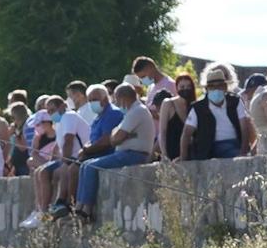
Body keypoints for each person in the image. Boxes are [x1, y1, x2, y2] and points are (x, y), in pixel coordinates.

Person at [73, 82, 154, 219]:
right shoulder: (131, 112)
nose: (116, 102)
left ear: (123, 98)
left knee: (91, 166)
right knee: (85, 165)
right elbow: (114, 136)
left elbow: (115, 139)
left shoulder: (137, 111)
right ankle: (79, 205)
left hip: (133, 155)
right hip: (125, 153)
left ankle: (87, 209)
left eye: (116, 99)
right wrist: (121, 136)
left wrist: (120, 136)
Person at [181, 64, 252, 160]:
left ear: (225, 87)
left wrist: (243, 152)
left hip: (233, 143)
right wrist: (183, 157)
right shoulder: (198, 108)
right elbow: (186, 133)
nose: (216, 89)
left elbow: (244, 128)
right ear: (206, 89)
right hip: (208, 147)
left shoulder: (235, 102)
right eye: (212, 87)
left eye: (220, 86)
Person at [156, 68, 197, 161]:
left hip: (190, 155)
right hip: (172, 153)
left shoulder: (195, 106)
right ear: (177, 87)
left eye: (188, 86)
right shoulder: (168, 104)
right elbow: (162, 132)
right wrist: (164, 154)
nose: (185, 89)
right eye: (182, 87)